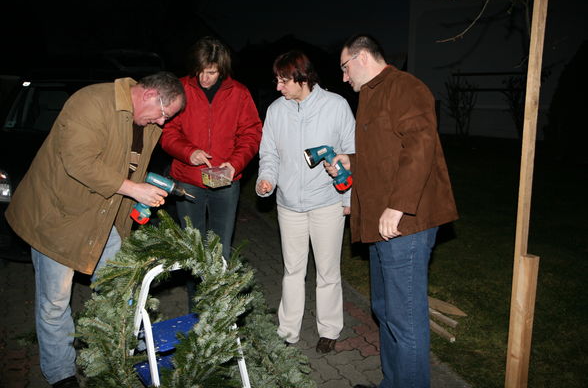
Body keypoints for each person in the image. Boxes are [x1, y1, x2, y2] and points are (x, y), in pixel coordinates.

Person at [5, 72, 186, 388]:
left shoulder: (148, 125)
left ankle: (126, 350)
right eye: (163, 113)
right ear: (150, 95)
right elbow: (78, 163)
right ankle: (61, 374)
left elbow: (132, 168)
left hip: (103, 217)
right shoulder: (91, 102)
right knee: (55, 302)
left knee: (120, 287)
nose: (163, 121)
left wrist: (135, 203)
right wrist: (134, 189)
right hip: (58, 215)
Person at [325, 35, 459, 387]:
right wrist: (350, 161)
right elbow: (386, 152)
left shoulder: (405, 87)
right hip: (384, 225)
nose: (343, 77)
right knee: (385, 310)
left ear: (363, 57)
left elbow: (420, 146)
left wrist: (398, 205)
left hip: (405, 225)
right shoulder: (372, 94)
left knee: (405, 318)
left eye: (344, 67)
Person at [256, 50, 355, 353]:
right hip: (288, 204)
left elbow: (353, 152)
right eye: (277, 81)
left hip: (327, 202)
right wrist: (267, 180)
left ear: (302, 78)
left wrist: (348, 196)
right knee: (292, 270)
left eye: (283, 80)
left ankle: (329, 329)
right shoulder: (276, 110)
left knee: (327, 271)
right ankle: (288, 331)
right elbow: (269, 153)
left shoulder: (336, 106)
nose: (278, 87)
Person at [160, 36, 262, 261]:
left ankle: (217, 296)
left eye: (212, 72)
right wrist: (188, 152)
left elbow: (251, 134)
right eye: (200, 71)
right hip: (187, 182)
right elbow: (167, 132)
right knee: (193, 251)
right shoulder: (180, 88)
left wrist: (235, 164)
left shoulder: (239, 93)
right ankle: (196, 298)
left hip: (225, 181)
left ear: (222, 70)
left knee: (220, 249)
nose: (205, 78)